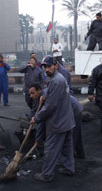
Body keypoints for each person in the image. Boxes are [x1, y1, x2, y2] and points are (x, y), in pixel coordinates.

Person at [31, 55, 75, 183]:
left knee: (50, 149)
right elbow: (54, 97)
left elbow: (50, 107)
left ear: (56, 66)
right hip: (67, 120)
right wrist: (46, 95)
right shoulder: (58, 79)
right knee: (67, 148)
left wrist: (36, 118)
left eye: (49, 66)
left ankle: (47, 174)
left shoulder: (56, 81)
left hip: (58, 122)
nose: (46, 69)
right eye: (44, 67)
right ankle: (69, 169)